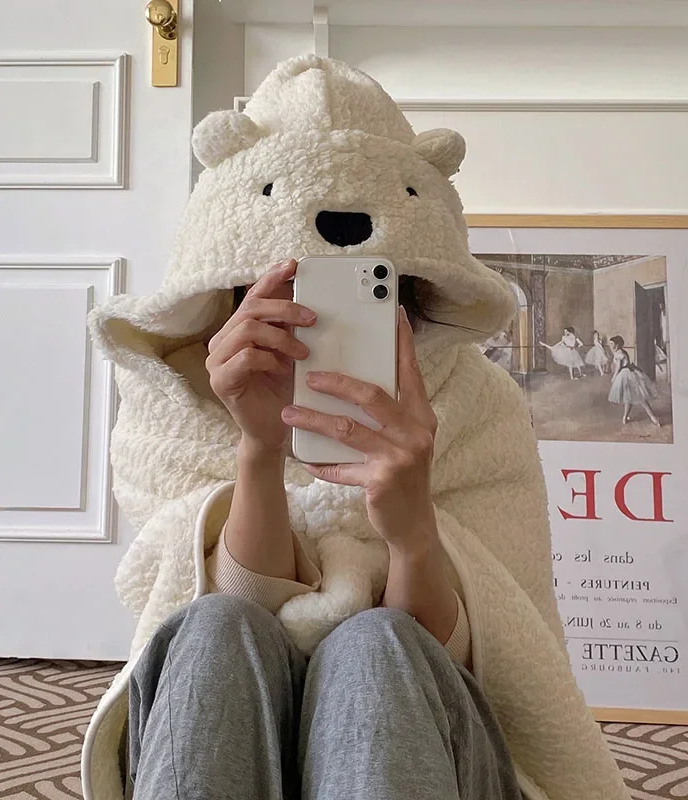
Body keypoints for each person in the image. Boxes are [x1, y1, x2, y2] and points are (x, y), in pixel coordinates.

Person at [82, 55, 630, 800]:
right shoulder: (177, 394)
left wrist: (412, 532)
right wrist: (258, 449)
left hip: (417, 725)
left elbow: (484, 654)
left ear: (415, 280)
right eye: (293, 283)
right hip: (231, 719)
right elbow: (199, 610)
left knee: (375, 645)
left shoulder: (477, 402)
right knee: (213, 629)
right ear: (236, 274)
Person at [607, 335, 660, 426]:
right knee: (630, 397)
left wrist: (614, 378)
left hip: (625, 375)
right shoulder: (622, 351)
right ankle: (626, 417)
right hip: (630, 373)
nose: (610, 345)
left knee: (638, 398)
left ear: (617, 344)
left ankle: (653, 418)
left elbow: (618, 367)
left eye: (612, 344)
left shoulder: (618, 354)